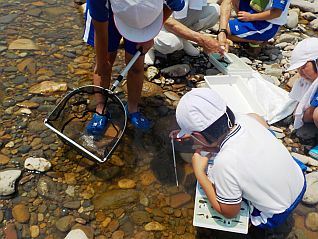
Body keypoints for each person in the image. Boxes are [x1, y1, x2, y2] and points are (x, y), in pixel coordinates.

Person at [170, 88, 305, 229]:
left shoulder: (224, 164)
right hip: (299, 180)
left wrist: (200, 174)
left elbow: (229, 213)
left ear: (198, 136)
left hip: (278, 212)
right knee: (255, 120)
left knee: (229, 197)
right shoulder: (247, 119)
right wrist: (195, 136)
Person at [82, 0, 185, 135]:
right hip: (107, 12)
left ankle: (132, 109)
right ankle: (101, 109)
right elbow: (101, 32)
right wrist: (102, 62)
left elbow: (172, 6)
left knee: (136, 65)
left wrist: (149, 35)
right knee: (105, 62)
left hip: (144, 18)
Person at [145, 0, 223, 65]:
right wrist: (202, 40)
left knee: (215, 11)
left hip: (176, 15)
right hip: (155, 20)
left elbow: (227, 2)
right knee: (171, 43)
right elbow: (165, 19)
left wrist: (222, 34)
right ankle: (149, 45)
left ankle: (182, 37)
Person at [217, 0, 291, 55]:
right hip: (254, 11)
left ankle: (257, 41)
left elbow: (276, 13)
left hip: (267, 24)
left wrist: (251, 17)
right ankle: (244, 27)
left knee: (227, 31)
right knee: (223, 27)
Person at [287, 37, 318, 158]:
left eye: (304, 67)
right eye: (298, 68)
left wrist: (301, 116)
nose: (300, 72)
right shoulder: (309, 81)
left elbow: (308, 115)